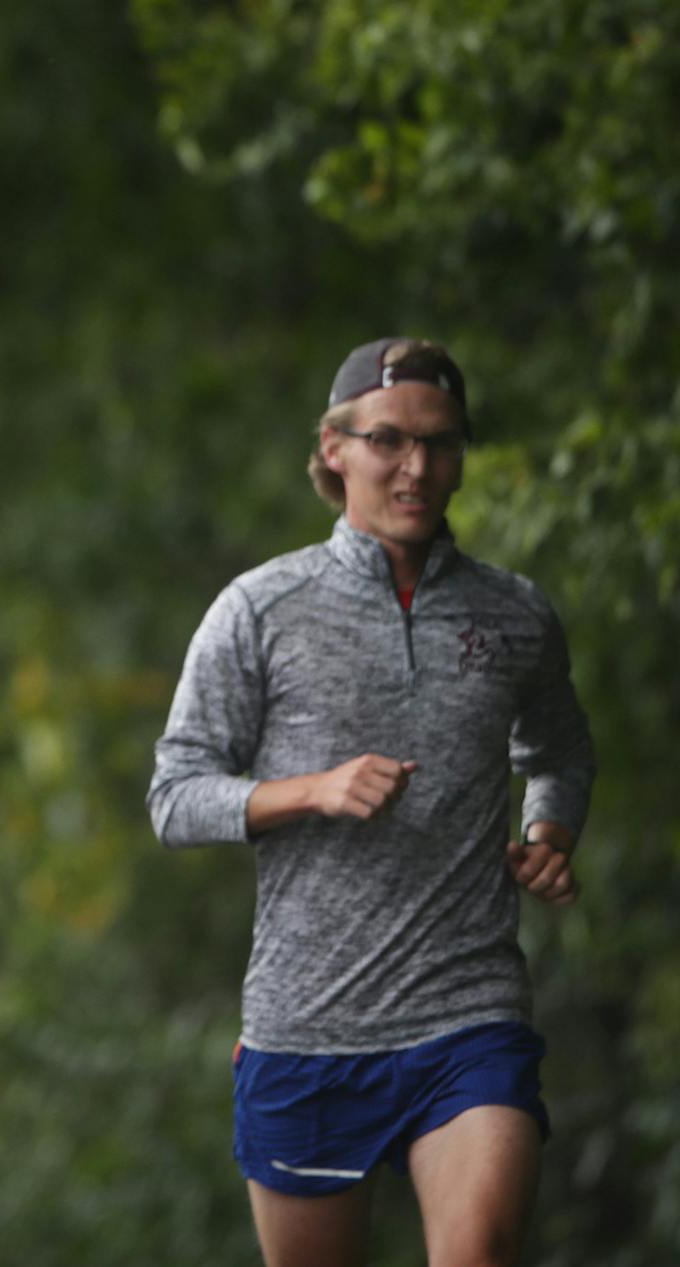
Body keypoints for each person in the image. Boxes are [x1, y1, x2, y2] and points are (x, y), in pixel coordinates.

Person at [147, 338, 593, 1267]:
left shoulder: (514, 614)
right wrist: (313, 788)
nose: (418, 466)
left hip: (470, 1014)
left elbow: (558, 749)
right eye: (389, 439)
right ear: (334, 447)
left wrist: (548, 830)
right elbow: (175, 795)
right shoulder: (259, 609)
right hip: (308, 1026)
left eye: (441, 442)